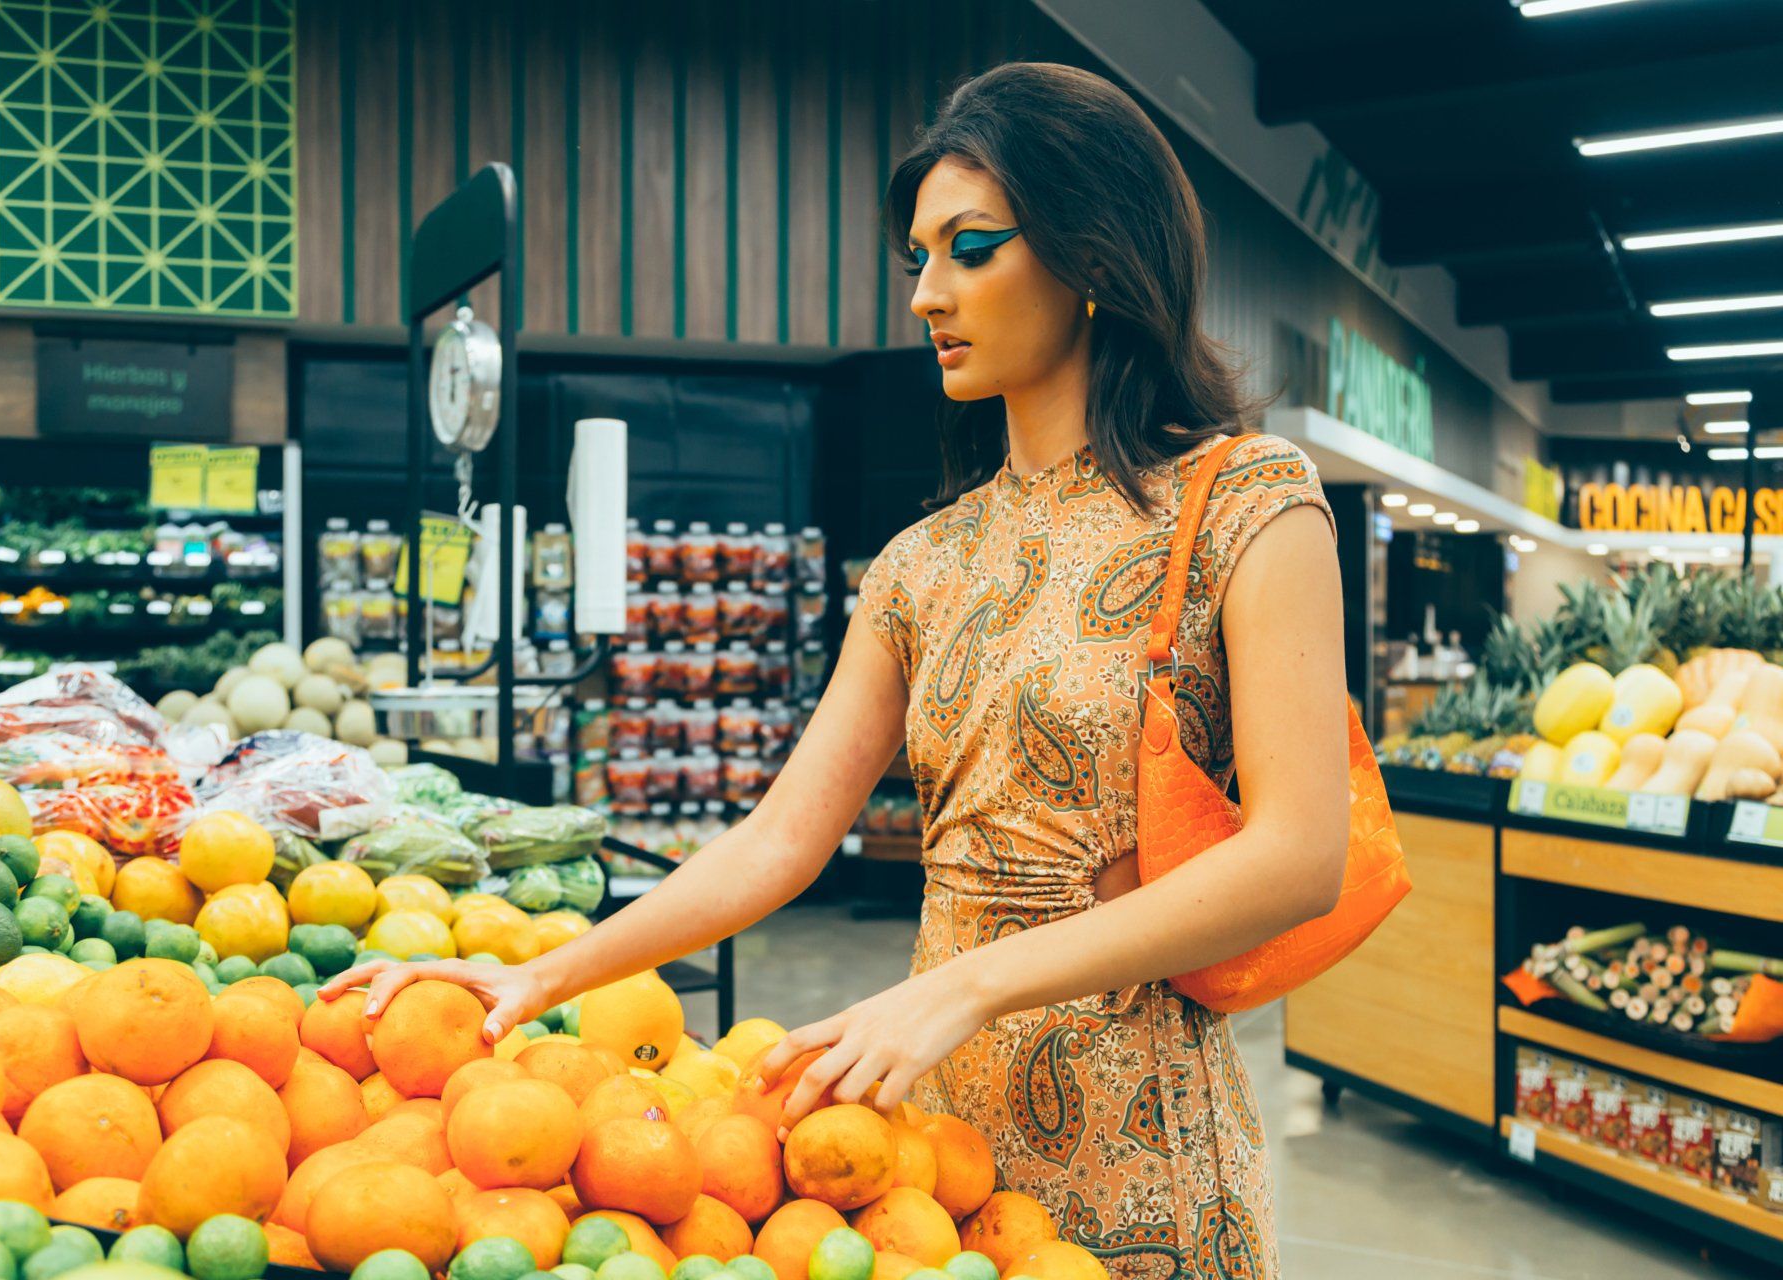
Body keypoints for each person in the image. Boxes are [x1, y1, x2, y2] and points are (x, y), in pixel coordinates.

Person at [321, 61, 1348, 1280]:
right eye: (918, 258)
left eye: (970, 249)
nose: (927, 295)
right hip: (919, 1125)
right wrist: (540, 970)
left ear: (1093, 258)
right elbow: (778, 839)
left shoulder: (1247, 501)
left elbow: (1298, 853)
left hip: (1145, 1143)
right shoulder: (922, 562)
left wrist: (967, 986)